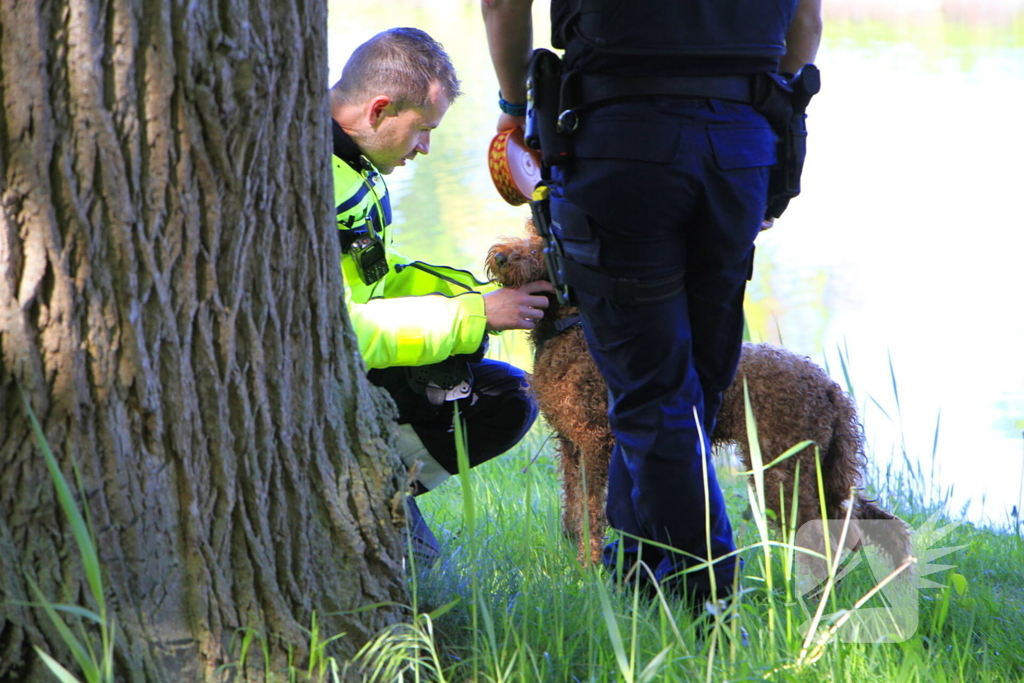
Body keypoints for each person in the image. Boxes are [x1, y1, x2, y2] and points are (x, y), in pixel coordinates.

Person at [482, 0, 822, 606]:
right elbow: (806, 26)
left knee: (652, 394)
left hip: (621, 142)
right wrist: (763, 112)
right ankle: (634, 577)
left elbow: (502, 4)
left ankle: (709, 607)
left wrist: (514, 107)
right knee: (693, 383)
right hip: (741, 147)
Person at [330, 27, 555, 562]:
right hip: (324, 371)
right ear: (380, 109)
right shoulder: (316, 181)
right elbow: (336, 329)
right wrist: (471, 316)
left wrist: (483, 295)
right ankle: (364, 495)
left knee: (510, 395)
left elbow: (378, 277)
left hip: (353, 367)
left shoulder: (353, 160)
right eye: (422, 130)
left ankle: (377, 485)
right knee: (502, 402)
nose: (425, 148)